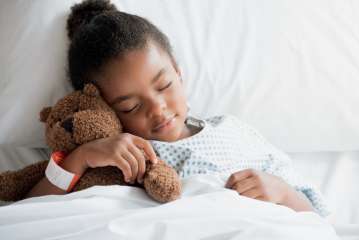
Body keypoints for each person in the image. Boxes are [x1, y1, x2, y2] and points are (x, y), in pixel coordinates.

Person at [26, 0, 328, 217]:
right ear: (101, 107)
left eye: (164, 86)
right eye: (130, 106)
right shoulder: (108, 156)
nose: (158, 109)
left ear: (178, 74)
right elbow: (28, 215)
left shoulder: (233, 131)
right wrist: (80, 158)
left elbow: (316, 217)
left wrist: (283, 192)